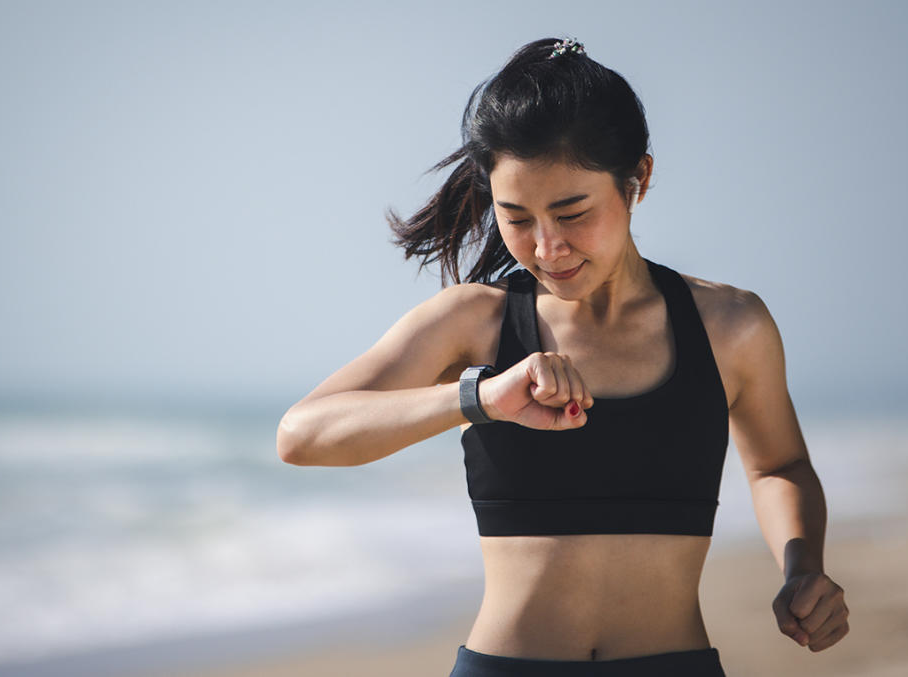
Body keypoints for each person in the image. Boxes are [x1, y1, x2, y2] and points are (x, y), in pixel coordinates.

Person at [276, 37, 848, 676]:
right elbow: (302, 435)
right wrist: (480, 398)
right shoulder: (474, 321)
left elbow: (779, 465)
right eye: (516, 218)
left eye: (572, 212)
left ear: (639, 180)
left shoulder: (730, 325)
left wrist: (803, 568)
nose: (547, 248)